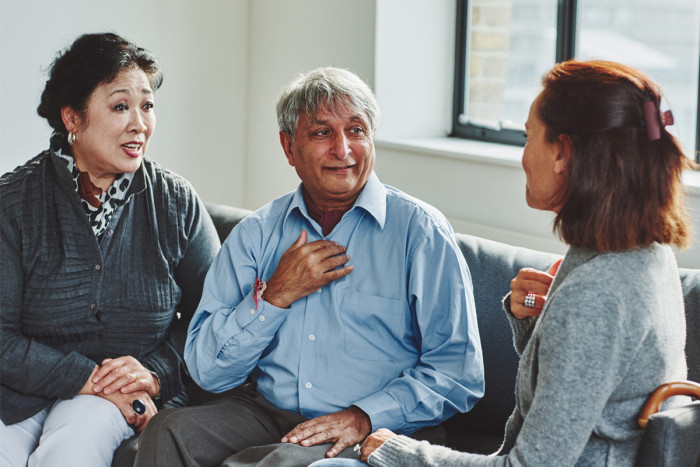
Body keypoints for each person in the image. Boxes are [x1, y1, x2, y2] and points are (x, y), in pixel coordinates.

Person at [313, 60, 696, 466]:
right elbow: (585, 394)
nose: (524, 156)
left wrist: (398, 451)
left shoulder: (597, 292)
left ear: (563, 152)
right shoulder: (644, 255)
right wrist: (534, 320)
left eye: (529, 137)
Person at [134, 67, 484, 467]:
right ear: (288, 147)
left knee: (279, 464)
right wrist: (274, 298)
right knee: (168, 432)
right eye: (321, 133)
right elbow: (208, 372)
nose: (343, 149)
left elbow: (458, 373)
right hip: (266, 412)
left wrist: (365, 416)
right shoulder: (257, 233)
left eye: (356, 130)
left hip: (377, 426)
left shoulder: (420, 232)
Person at [0, 33, 220, 466]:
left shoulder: (175, 202)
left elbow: (213, 319)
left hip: (114, 401)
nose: (140, 123)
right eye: (121, 106)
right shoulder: (12, 204)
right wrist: (89, 377)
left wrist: (154, 374)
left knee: (74, 448)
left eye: (148, 105)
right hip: (19, 392)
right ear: (72, 119)